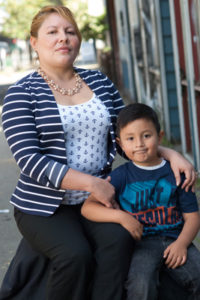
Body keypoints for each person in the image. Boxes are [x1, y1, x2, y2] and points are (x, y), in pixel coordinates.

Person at [0, 5, 197, 300]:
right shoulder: (21, 93)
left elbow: (126, 137)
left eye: (69, 32)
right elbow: (29, 159)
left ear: (78, 39)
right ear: (34, 43)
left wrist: (171, 154)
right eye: (52, 32)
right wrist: (91, 183)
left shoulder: (101, 83)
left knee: (120, 240)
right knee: (74, 255)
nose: (63, 38)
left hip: (99, 201)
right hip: (46, 206)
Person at [81, 103, 200, 300]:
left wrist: (181, 243)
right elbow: (88, 207)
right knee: (140, 284)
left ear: (160, 136)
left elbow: (193, 217)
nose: (139, 144)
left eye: (146, 135)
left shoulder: (177, 173)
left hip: (176, 238)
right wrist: (120, 217)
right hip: (142, 245)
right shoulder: (120, 176)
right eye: (130, 138)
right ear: (120, 143)